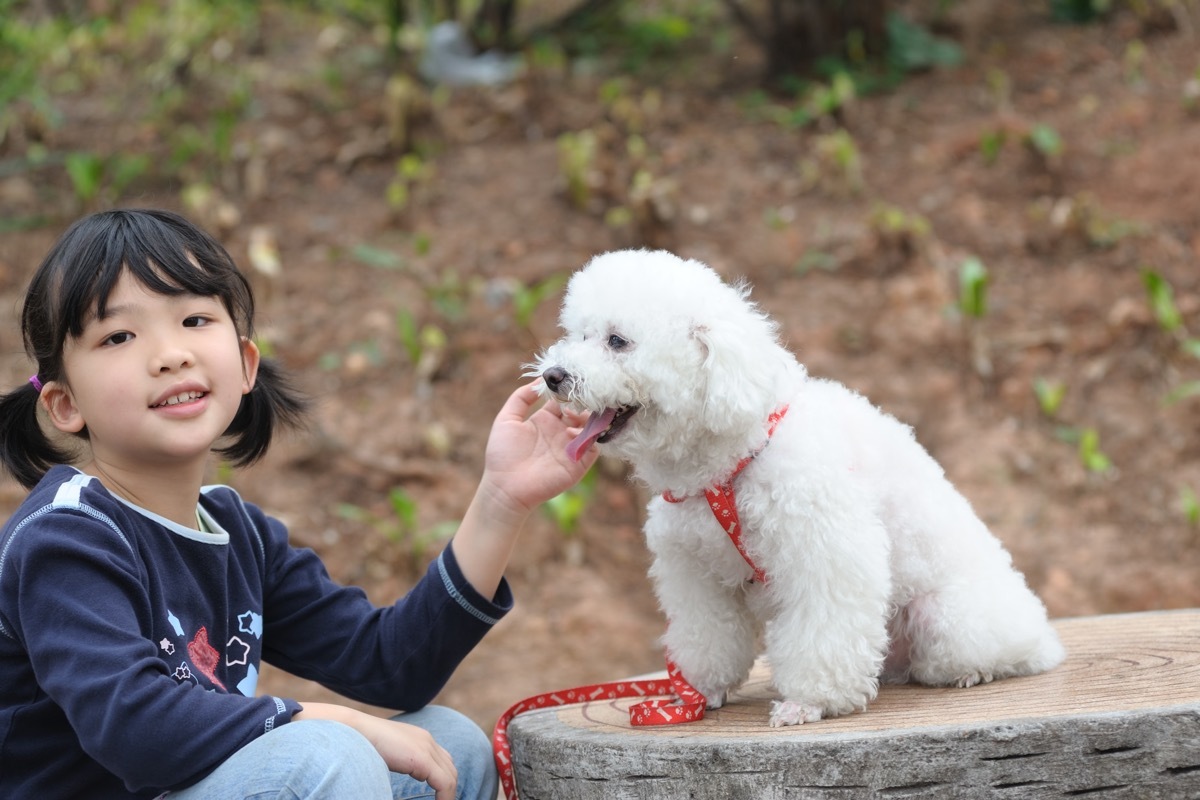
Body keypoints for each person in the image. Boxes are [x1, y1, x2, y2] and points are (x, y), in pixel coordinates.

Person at [0, 208, 597, 800]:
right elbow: (133, 728)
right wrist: (323, 719)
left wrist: (501, 498)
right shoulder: (66, 538)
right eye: (119, 336)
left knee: (450, 744)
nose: (169, 353)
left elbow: (389, 664)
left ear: (245, 365)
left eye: (194, 318)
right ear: (63, 404)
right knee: (323, 756)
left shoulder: (238, 533)